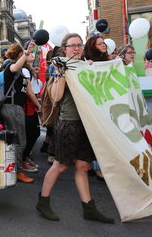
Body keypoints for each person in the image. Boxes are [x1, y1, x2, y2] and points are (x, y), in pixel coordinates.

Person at [36, 33, 114, 224]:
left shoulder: (85, 66)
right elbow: (56, 97)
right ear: (65, 49)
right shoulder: (62, 67)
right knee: (60, 165)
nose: (77, 48)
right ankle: (43, 202)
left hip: (85, 123)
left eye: (79, 45)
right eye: (72, 46)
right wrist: (61, 73)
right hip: (68, 124)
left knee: (82, 166)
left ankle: (89, 208)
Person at [0, 43, 36, 183]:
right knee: (20, 140)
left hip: (14, 107)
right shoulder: (11, 66)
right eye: (24, 53)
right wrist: (27, 52)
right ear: (20, 55)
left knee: (14, 140)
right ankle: (18, 172)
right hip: (13, 108)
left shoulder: (18, 70)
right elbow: (16, 67)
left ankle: (12, 169)